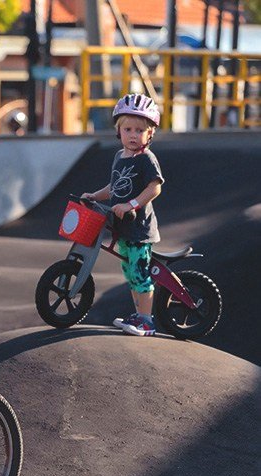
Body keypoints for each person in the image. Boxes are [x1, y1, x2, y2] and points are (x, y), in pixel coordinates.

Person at [81, 93, 164, 337]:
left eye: (140, 130)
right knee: (130, 273)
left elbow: (155, 187)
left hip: (139, 230)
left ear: (149, 134)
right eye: (128, 129)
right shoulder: (119, 157)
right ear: (119, 131)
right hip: (124, 229)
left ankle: (147, 322)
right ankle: (138, 315)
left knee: (140, 274)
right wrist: (95, 196)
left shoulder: (146, 159)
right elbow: (114, 187)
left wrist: (132, 205)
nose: (133, 135)